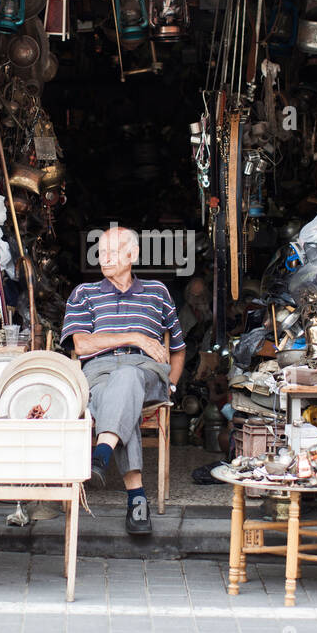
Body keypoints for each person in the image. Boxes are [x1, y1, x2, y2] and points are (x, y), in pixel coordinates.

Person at [60, 226, 185, 535]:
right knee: (120, 391)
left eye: (113, 252)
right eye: (101, 253)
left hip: (146, 373)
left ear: (133, 255)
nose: (105, 258)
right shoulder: (84, 294)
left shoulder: (158, 292)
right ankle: (136, 499)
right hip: (98, 373)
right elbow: (81, 346)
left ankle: (101, 454)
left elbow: (179, 349)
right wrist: (134, 336)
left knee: (127, 377)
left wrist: (171, 386)